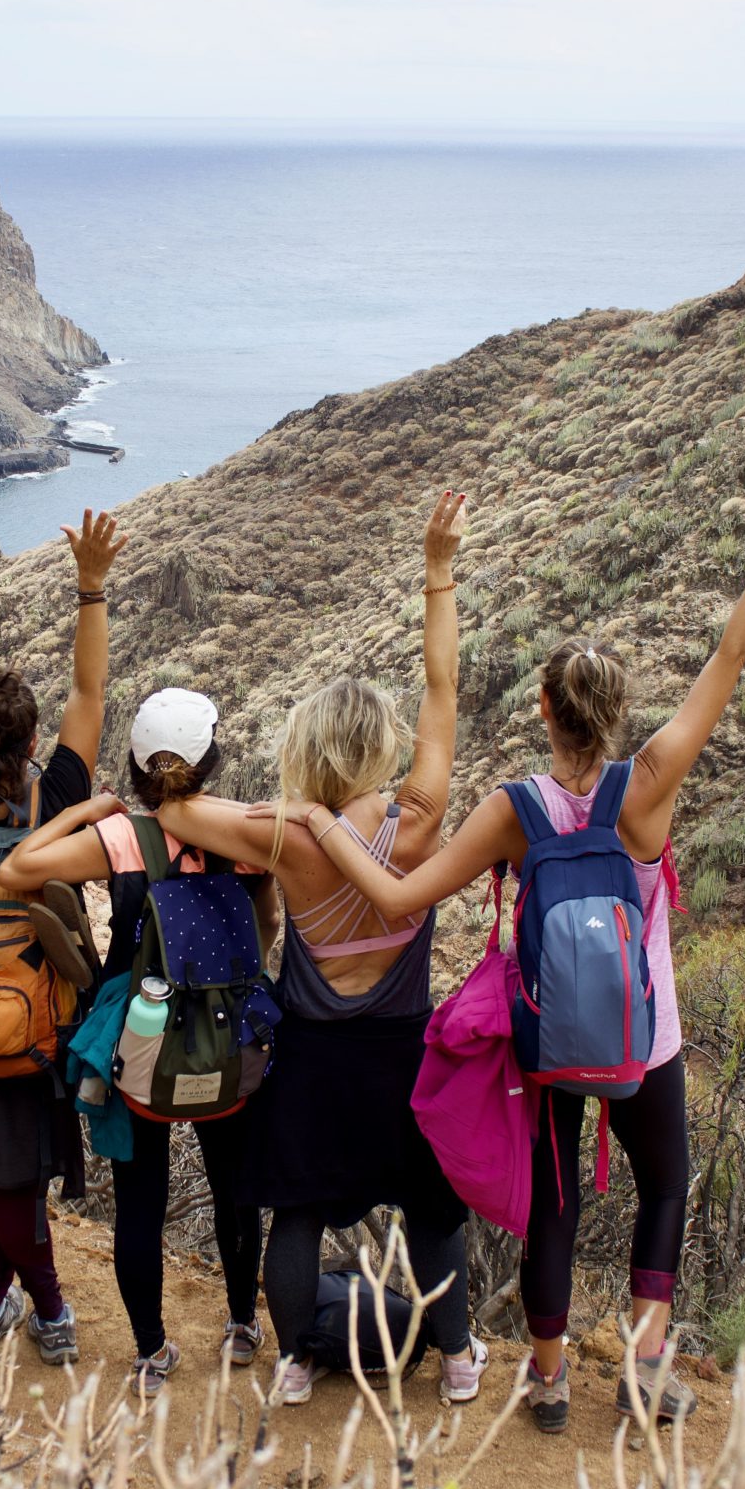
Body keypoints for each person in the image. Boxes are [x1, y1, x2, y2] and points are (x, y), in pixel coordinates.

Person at [307, 449, 745, 1432]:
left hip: (548, 1046)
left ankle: (545, 1378)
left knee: (555, 1198)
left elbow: (402, 893)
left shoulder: (517, 811)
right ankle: (642, 1358)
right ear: (618, 713)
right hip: (646, 1039)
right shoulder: (651, 782)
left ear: (542, 712)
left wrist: (325, 823)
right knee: (663, 1186)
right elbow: (728, 658)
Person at [149, 492, 485, 1407]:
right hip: (401, 1050)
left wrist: (169, 769)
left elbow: (173, 808)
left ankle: (298, 1358)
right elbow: (445, 690)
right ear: (380, 746)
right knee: (429, 1206)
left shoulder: (286, 834)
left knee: (295, 1205)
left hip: (312, 1052)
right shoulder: (415, 823)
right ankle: (457, 1361)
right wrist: (437, 570)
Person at [0, 687, 271, 1397]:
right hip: (225, 1032)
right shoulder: (243, 834)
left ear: (137, 765)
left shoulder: (122, 839)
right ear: (210, 761)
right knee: (235, 1183)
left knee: (139, 1193)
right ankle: (244, 1325)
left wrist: (88, 809)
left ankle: (151, 1351)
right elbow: (266, 928)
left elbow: (17, 870)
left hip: (141, 1040)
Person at [0, 507, 126, 1365]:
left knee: (12, 1173)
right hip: (46, 1021)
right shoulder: (60, 793)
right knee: (17, 1175)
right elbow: (91, 693)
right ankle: (49, 1310)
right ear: (37, 741)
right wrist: (91, 587)